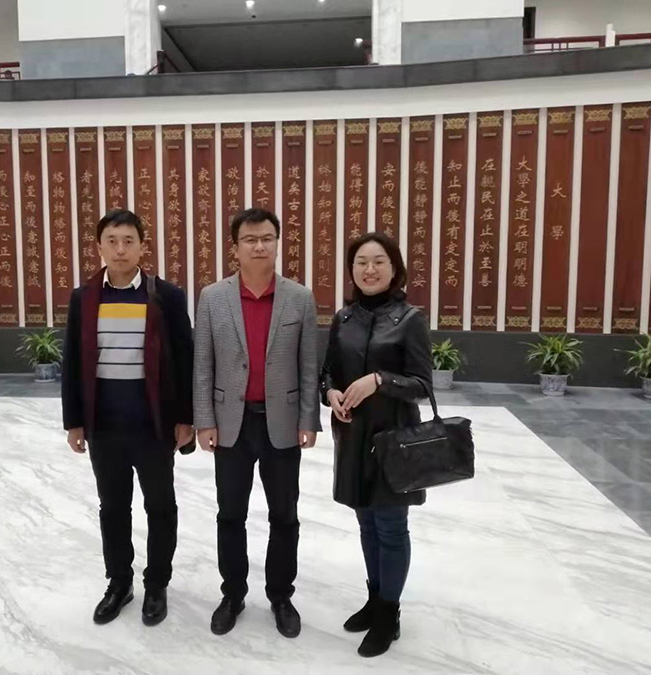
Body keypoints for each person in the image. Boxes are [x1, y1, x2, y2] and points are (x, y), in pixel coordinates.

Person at [61, 209, 194, 628]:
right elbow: (73, 361)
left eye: (129, 241)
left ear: (142, 246)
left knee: (161, 506)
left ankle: (157, 584)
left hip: (153, 425)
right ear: (99, 246)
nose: (120, 249)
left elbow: (185, 359)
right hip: (105, 427)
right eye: (112, 241)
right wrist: (74, 421)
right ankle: (119, 583)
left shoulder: (166, 296)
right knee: (113, 507)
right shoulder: (84, 297)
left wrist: (186, 417)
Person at [193, 207, 322, 639]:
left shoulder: (299, 298)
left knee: (284, 515)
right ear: (236, 247)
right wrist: (204, 420)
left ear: (277, 242)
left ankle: (281, 596)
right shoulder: (213, 297)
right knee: (230, 513)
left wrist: (309, 419)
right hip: (231, 422)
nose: (259, 246)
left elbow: (308, 365)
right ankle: (232, 594)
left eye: (267, 238)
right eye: (250, 239)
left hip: (281, 422)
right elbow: (203, 365)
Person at [318, 232, 432, 658]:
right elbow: (327, 373)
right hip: (353, 435)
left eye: (378, 261)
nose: (369, 269)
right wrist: (330, 394)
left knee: (391, 526)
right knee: (366, 522)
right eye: (361, 262)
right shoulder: (344, 318)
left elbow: (422, 385)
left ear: (394, 268)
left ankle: (389, 615)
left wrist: (380, 380)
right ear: (352, 270)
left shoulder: (410, 319)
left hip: (394, 439)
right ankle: (374, 599)